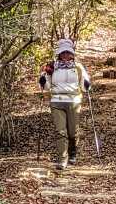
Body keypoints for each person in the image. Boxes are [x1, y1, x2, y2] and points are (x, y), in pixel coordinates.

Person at [39, 38, 92, 171]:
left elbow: (85, 85)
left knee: (73, 132)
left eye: (68, 52)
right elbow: (47, 86)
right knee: (60, 131)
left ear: (72, 54)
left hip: (74, 101)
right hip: (57, 101)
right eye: (63, 52)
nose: (65, 55)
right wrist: (43, 81)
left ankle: (72, 152)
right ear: (59, 53)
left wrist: (87, 84)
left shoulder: (77, 67)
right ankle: (62, 159)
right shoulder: (51, 67)